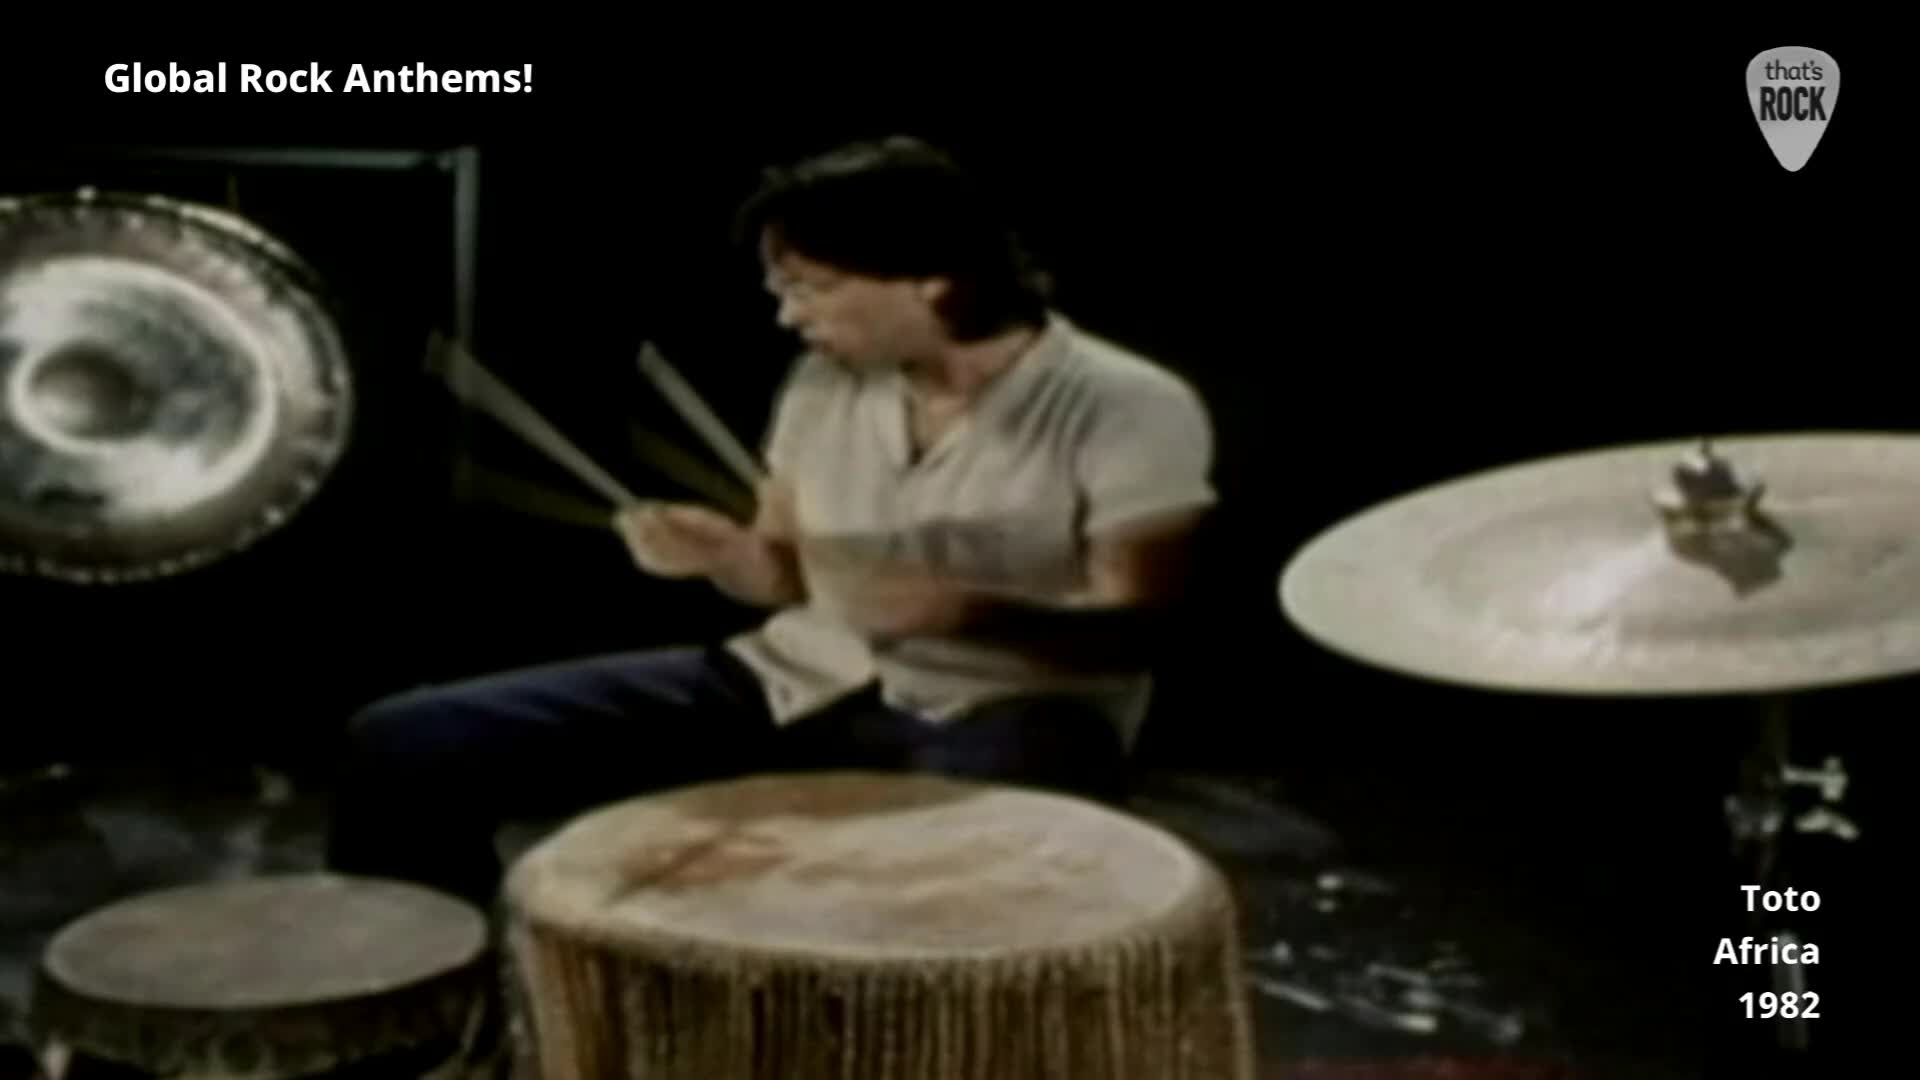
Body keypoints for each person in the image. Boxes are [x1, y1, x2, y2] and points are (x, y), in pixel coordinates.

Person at [323, 135, 1219, 908]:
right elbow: (789, 577)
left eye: (813, 286)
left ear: (934, 278)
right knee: (407, 744)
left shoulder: (1128, 404)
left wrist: (963, 612)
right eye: (780, 290)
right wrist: (727, 558)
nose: (790, 315)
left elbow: (1146, 630)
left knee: (896, 888)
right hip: (803, 677)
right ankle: (446, 1020)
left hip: (1013, 714)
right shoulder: (824, 383)